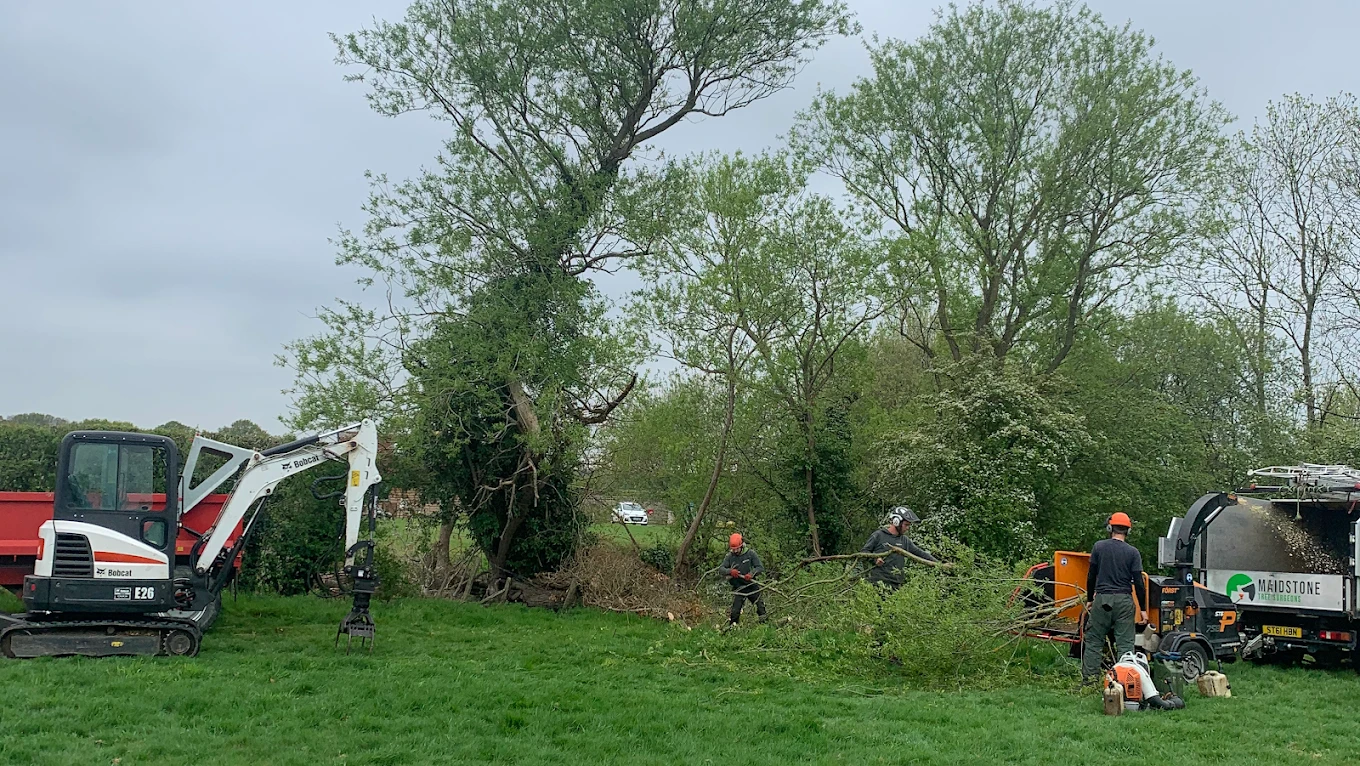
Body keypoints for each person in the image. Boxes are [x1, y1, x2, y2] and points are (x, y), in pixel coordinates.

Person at [1082, 512, 1150, 684]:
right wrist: (1143, 609)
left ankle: (1089, 682)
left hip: (1102, 599)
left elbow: (1091, 576)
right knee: (1125, 645)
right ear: (1128, 531)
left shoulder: (1098, 547)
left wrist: (1090, 599)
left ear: (1109, 527)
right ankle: (1124, 684)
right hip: (1124, 602)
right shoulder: (1133, 552)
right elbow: (1139, 583)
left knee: (1094, 641)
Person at [859, 506, 937, 591]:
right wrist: (875, 559)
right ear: (896, 522)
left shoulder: (904, 540)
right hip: (878, 583)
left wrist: (939, 564)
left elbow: (920, 553)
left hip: (896, 585)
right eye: (906, 525)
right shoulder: (879, 535)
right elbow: (864, 553)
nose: (907, 528)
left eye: (909, 525)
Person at [719, 533, 766, 626]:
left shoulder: (750, 554)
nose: (735, 551)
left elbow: (760, 567)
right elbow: (721, 569)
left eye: (737, 549)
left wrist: (752, 574)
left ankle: (765, 624)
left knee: (760, 606)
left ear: (742, 546)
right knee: (735, 611)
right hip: (739, 587)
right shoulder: (729, 556)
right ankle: (732, 627)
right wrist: (730, 571)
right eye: (733, 549)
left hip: (751, 586)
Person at [1111, 652, 1184, 711]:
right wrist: (1175, 703)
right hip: (1133, 706)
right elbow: (1156, 701)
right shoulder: (1140, 672)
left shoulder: (1113, 669)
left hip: (1112, 703)